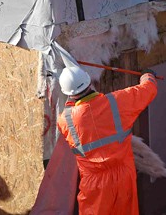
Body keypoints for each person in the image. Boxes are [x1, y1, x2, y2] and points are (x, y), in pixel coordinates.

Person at [56, 65, 157, 214]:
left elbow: (75, 118)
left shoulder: (65, 120)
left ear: (68, 94)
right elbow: (149, 89)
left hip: (94, 184)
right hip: (124, 176)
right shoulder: (117, 102)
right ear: (89, 82)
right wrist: (148, 75)